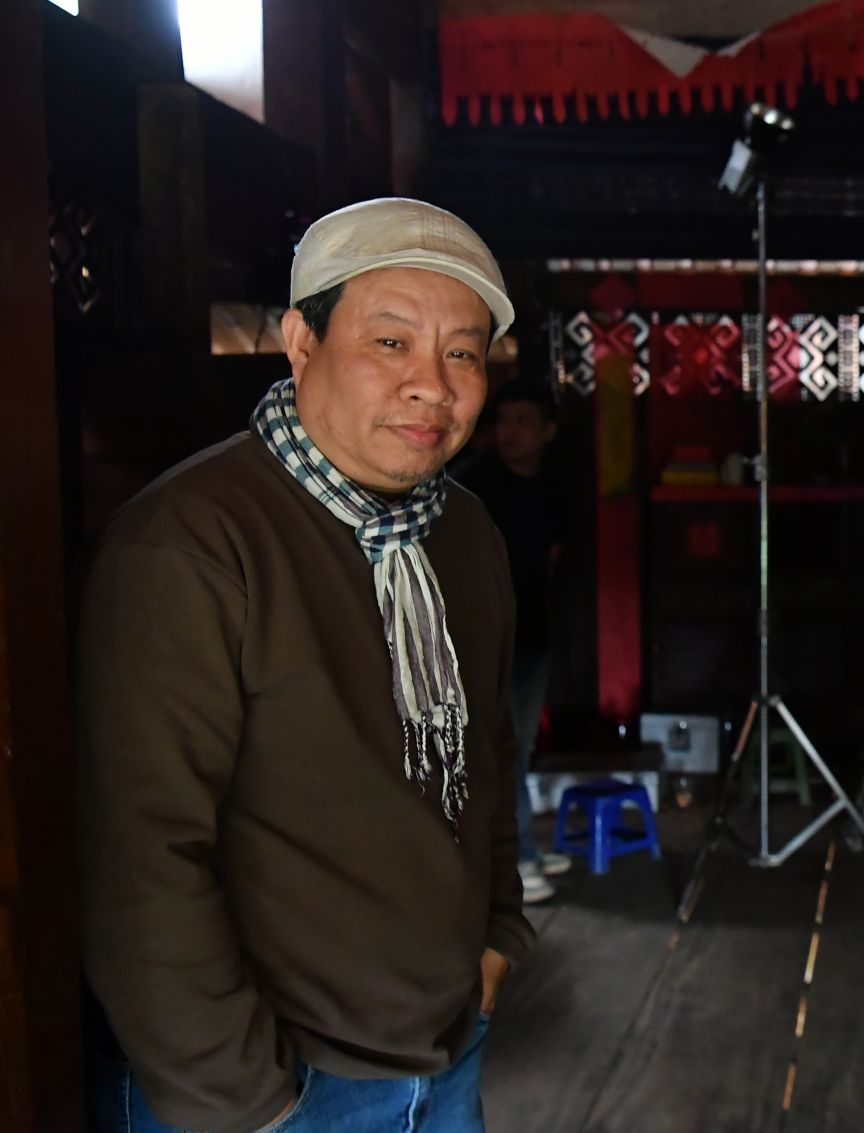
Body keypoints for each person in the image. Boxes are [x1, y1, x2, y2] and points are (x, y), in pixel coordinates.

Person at [76, 198, 535, 1133]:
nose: (433, 386)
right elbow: (140, 850)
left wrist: (498, 934)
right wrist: (244, 1096)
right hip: (279, 1092)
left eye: (463, 352)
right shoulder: (197, 542)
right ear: (300, 340)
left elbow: (482, 753)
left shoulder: (465, 531)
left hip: (442, 1053)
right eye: (392, 342)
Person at [457, 380, 572, 904]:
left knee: (519, 745)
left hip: (533, 633)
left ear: (548, 431)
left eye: (524, 421)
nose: (510, 432)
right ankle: (517, 858)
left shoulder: (553, 484)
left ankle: (523, 846)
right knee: (501, 747)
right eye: (504, 421)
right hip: (485, 638)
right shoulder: (475, 484)